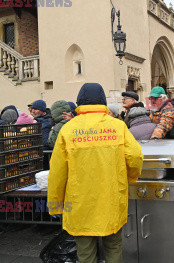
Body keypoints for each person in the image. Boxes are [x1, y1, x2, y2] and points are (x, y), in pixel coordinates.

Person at [47, 83, 143, 263]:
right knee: (114, 246)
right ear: (102, 101)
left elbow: (57, 171)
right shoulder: (117, 126)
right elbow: (135, 156)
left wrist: (55, 204)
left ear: (79, 102)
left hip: (79, 203)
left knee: (85, 253)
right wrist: (130, 177)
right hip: (111, 198)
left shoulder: (68, 129)